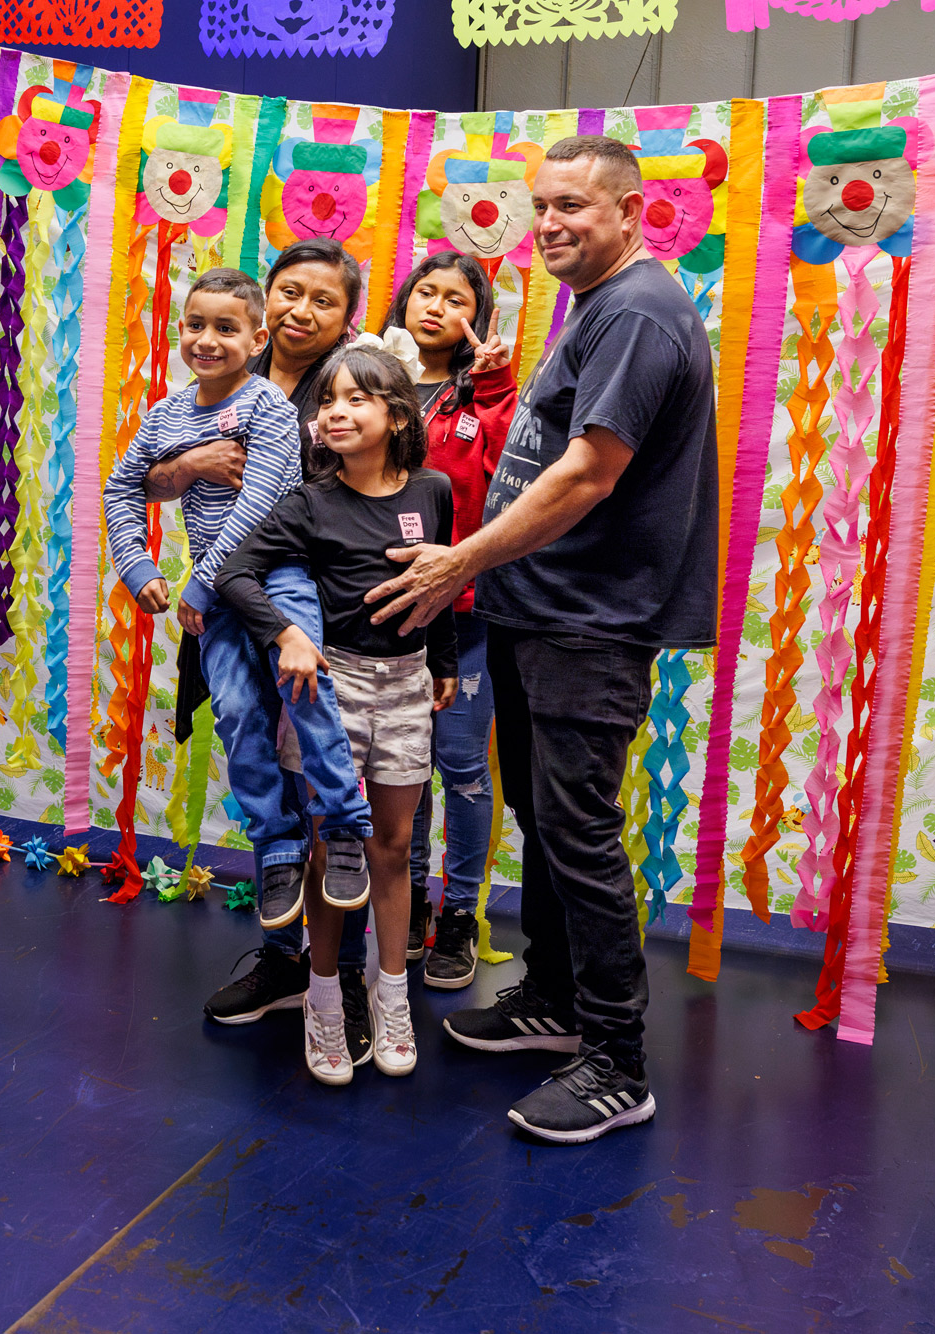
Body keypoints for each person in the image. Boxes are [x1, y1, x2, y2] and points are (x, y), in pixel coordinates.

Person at [366, 135, 717, 1147]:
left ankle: (615, 1060)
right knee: (541, 815)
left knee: (577, 830)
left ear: (629, 211)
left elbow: (586, 475)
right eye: (541, 206)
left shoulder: (640, 314)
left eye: (573, 205)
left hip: (587, 619)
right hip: (538, 607)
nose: (552, 222)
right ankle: (555, 1000)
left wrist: (460, 560)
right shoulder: (594, 309)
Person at [101, 266, 364, 960]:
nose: (207, 339)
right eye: (195, 324)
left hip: (279, 576)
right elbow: (122, 487)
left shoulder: (270, 408)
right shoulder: (165, 415)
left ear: (256, 338)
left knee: (305, 693)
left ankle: (342, 823)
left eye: (225, 328)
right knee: (239, 713)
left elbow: (262, 501)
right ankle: (276, 845)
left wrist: (199, 584)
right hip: (216, 600)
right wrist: (138, 567)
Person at [217, 344, 456, 1083]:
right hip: (333, 693)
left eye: (357, 399)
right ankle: (324, 1001)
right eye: (327, 402)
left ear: (397, 414)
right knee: (335, 852)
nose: (337, 412)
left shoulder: (434, 490)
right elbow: (234, 573)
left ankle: (391, 997)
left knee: (393, 845)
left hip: (409, 685)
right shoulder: (309, 502)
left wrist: (443, 661)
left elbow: (438, 580)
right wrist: (286, 633)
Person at [380, 249, 519, 989]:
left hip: (463, 614)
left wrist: (494, 383)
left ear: (479, 318)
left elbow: (509, 475)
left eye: (456, 299)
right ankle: (410, 913)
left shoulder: (488, 395)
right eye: (424, 292)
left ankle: (460, 914)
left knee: (461, 768)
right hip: (382, 615)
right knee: (401, 770)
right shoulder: (367, 379)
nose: (435, 307)